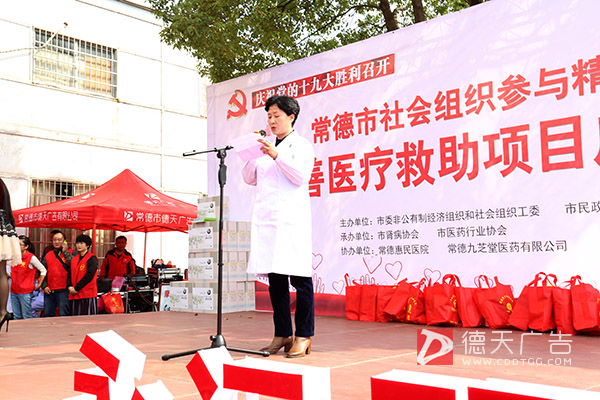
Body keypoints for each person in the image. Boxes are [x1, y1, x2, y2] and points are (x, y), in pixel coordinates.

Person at [241, 95, 316, 358]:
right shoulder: (266, 146)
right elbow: (249, 178)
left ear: (291, 117)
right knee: (276, 282)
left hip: (291, 223)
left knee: (301, 281)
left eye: (277, 116)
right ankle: (282, 334)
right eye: (269, 116)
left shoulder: (301, 145)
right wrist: (252, 154)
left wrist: (276, 155)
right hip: (268, 223)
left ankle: (303, 335)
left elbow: (300, 176)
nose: (272, 121)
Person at [0, 178, 21, 331]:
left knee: (1, 273)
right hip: (4, 224)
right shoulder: (2, 185)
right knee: (1, 272)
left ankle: (2, 312)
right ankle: (2, 312)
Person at [10, 235, 46, 319]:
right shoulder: (14, 257)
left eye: (20, 244)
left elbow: (43, 270)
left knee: (26, 316)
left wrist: (39, 285)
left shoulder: (31, 258)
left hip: (25, 292)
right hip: (14, 291)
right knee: (16, 316)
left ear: (26, 247)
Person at [41, 230, 73, 317]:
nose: (57, 242)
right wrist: (44, 286)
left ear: (64, 241)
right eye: (55, 240)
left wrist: (65, 252)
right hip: (49, 290)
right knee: (48, 314)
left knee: (64, 314)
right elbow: (42, 271)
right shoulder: (48, 254)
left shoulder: (71, 252)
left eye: (59, 240)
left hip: (64, 290)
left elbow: (74, 266)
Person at [67, 234, 98, 316]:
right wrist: (69, 286)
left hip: (87, 294)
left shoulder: (92, 258)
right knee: (75, 317)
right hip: (74, 294)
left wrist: (77, 288)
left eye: (81, 243)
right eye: (77, 243)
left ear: (87, 245)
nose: (79, 245)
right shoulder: (74, 259)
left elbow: (89, 275)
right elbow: (69, 273)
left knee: (87, 318)